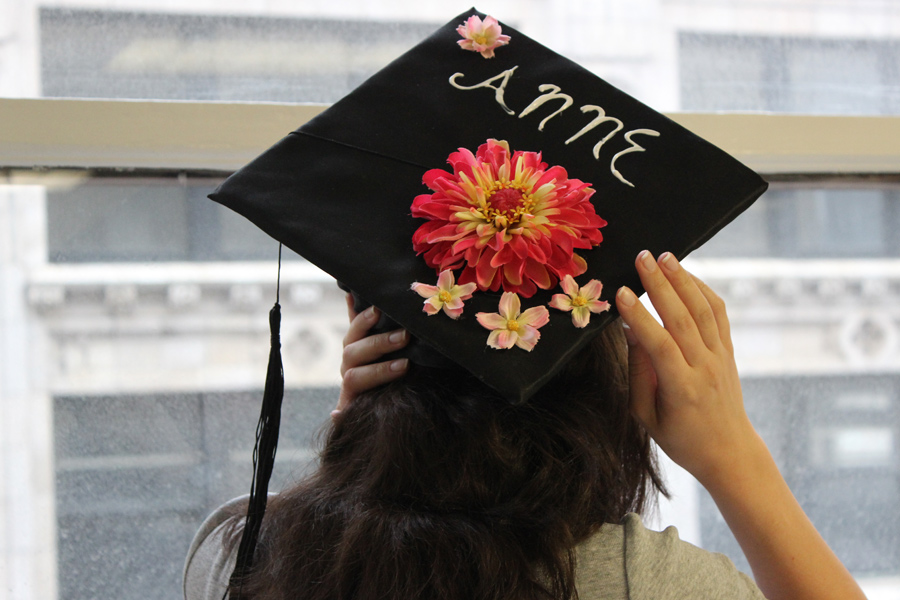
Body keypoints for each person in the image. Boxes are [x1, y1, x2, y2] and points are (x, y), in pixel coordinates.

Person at [183, 251, 867, 600]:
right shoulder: (653, 585)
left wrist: (365, 433)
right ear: (607, 377)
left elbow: (365, 516)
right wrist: (733, 452)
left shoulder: (246, 557)